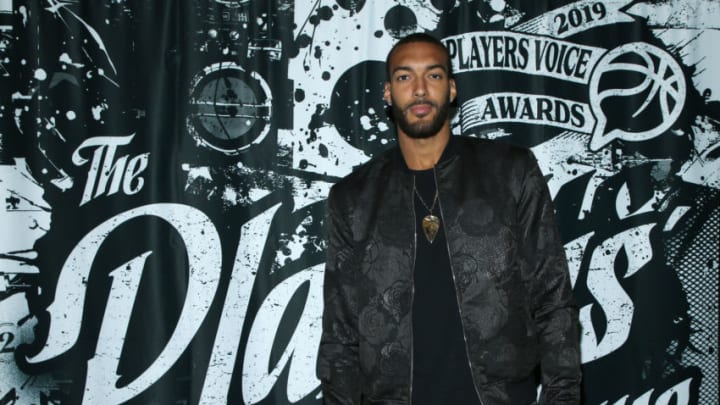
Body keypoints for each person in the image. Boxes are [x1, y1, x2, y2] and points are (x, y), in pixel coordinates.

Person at [317, 32, 581, 404]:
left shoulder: (510, 172)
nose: (420, 89)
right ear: (389, 94)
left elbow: (553, 301)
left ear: (452, 89)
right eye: (405, 77)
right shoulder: (353, 197)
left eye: (434, 75)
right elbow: (340, 335)